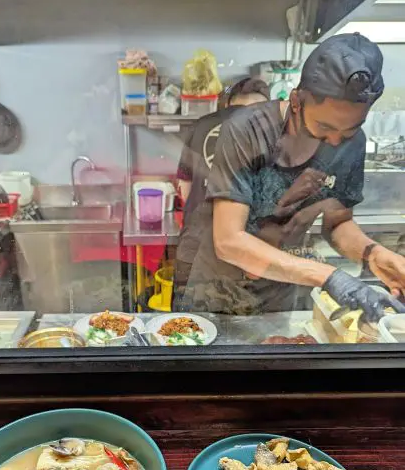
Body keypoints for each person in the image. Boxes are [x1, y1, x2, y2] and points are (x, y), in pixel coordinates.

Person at [173, 33, 405, 322]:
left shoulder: (352, 144)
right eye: (323, 126)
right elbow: (229, 240)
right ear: (296, 101)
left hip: (281, 291)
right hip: (217, 290)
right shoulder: (247, 130)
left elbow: (338, 223)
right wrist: (330, 277)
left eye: (349, 130)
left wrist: (373, 254)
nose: (335, 141)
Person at [174, 77, 270, 298]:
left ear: (229, 103)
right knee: (242, 329)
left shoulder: (202, 124)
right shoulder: (268, 127)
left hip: (195, 246)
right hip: (245, 253)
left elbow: (185, 187)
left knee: (190, 326)